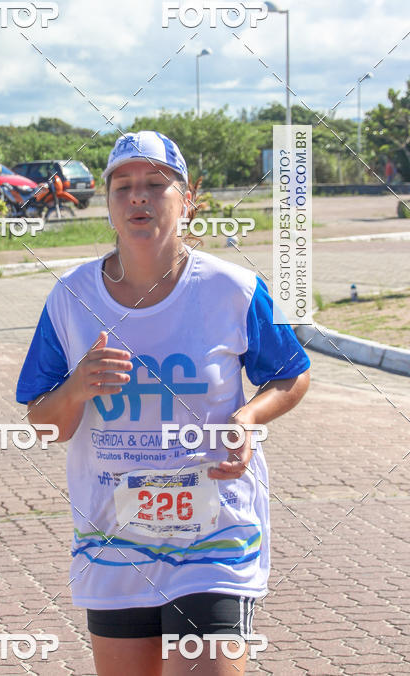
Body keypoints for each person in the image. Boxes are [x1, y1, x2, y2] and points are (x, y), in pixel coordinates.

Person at [16, 131, 311, 675]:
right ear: (107, 204)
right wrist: (76, 387)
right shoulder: (71, 299)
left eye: (156, 183)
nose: (138, 197)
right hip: (114, 539)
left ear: (186, 199)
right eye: (123, 186)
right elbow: (42, 425)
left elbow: (292, 375)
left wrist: (247, 417)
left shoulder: (234, 288)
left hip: (215, 532)